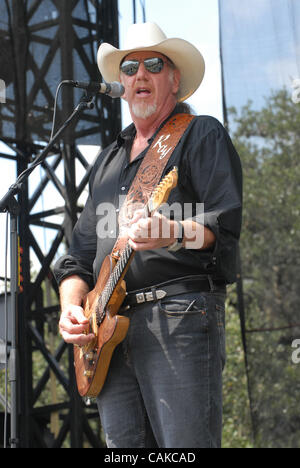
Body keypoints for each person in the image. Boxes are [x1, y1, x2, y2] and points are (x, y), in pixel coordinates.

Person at [54, 22, 242, 448]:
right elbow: (79, 256)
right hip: (108, 335)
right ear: (120, 82)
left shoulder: (199, 135)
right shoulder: (107, 160)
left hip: (178, 314)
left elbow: (224, 227)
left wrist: (172, 232)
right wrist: (72, 308)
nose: (140, 74)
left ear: (174, 79)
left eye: (153, 64)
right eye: (130, 66)